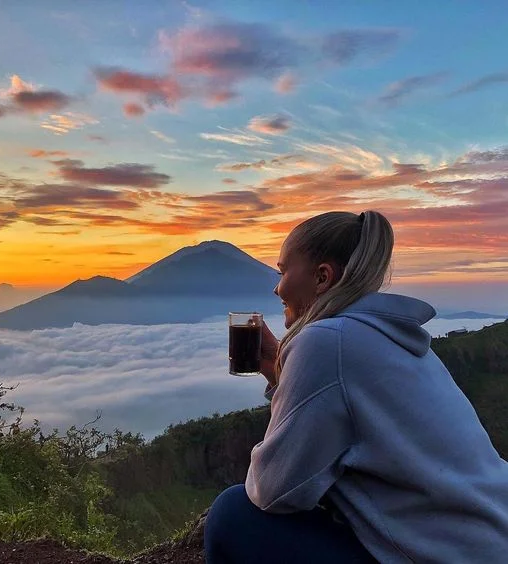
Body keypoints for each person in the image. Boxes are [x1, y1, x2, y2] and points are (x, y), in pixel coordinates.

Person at [204, 210, 508, 563]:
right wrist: (280, 373)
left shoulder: (326, 341)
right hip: (489, 540)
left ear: (322, 277)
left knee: (232, 515)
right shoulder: (391, 336)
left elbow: (272, 490)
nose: (277, 287)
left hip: (442, 556)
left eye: (283, 271)